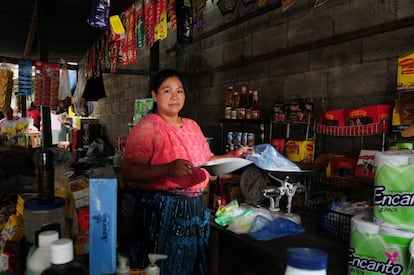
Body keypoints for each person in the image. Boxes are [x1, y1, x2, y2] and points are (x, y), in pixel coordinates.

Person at [122, 69, 251, 274]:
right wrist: (167, 169)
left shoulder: (192, 126)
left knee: (194, 265)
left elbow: (207, 160)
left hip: (195, 208)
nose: (175, 97)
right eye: (167, 91)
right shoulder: (147, 128)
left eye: (179, 91)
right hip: (162, 210)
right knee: (164, 264)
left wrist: (233, 155)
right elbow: (129, 171)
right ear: (155, 96)